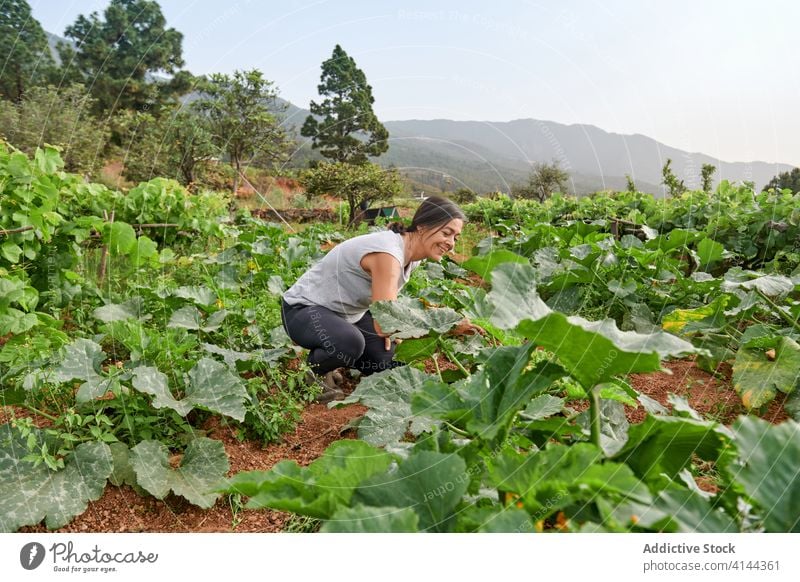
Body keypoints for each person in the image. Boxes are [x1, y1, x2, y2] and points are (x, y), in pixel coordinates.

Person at [281, 196, 466, 402]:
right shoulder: (388, 253)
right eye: (446, 233)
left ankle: (333, 359)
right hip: (303, 310)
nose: (450, 243)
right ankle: (314, 371)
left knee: (387, 362)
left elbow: (388, 308)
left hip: (347, 315)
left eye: (456, 237)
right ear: (422, 226)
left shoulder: (413, 256)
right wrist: (448, 325)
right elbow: (386, 323)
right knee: (348, 343)